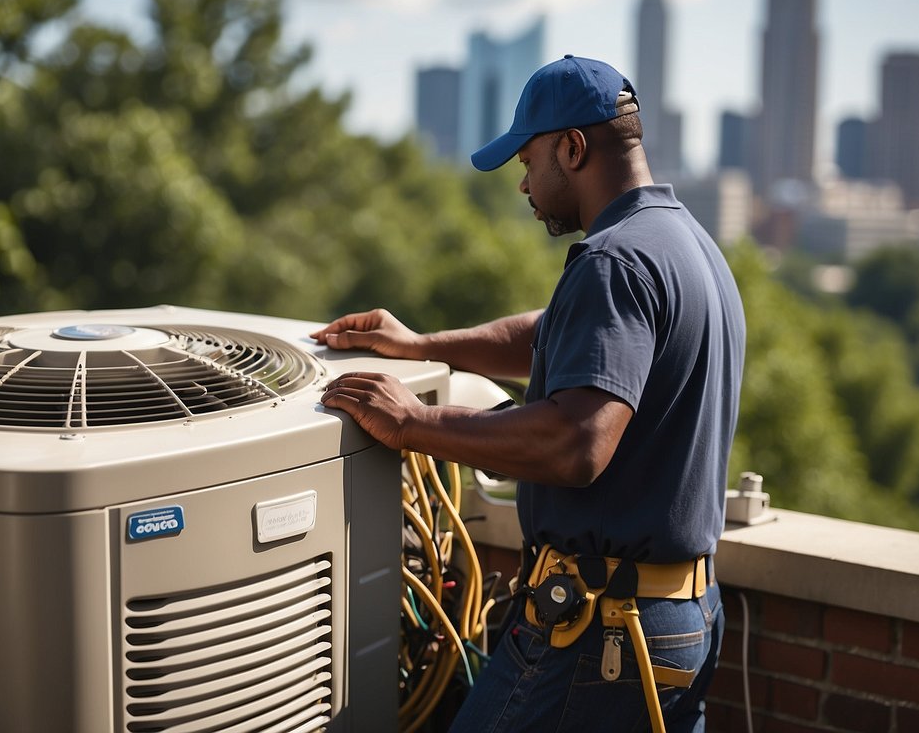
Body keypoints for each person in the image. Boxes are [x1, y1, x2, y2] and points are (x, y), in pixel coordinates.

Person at [313, 54, 745, 733]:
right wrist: (424, 345)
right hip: (679, 616)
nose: (522, 184)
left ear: (571, 148)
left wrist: (413, 421)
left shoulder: (613, 261)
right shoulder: (683, 245)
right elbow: (551, 335)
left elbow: (575, 443)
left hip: (598, 630)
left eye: (527, 159)